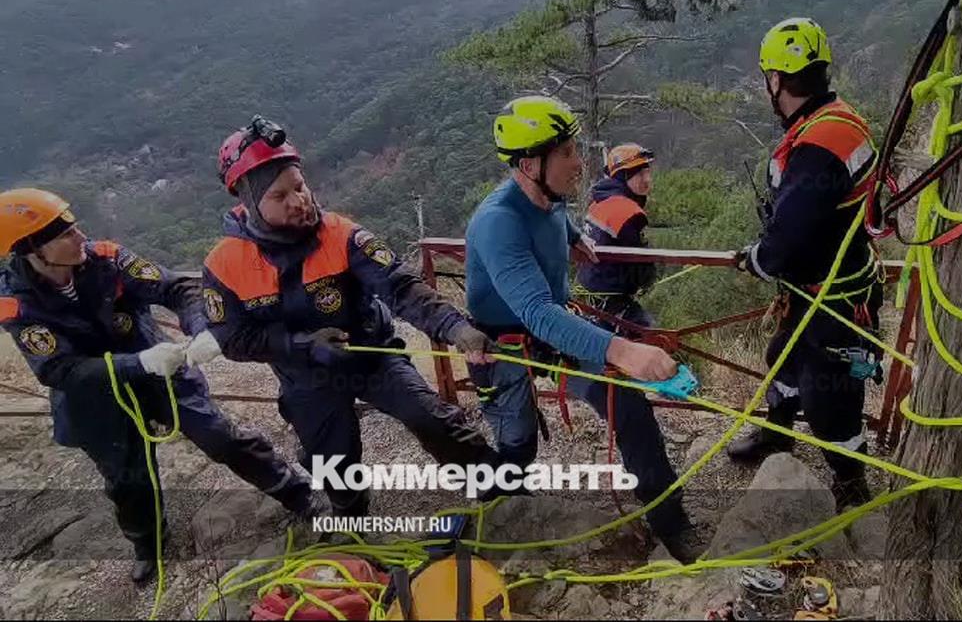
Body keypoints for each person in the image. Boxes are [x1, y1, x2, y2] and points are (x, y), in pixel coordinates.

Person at [0, 188, 321, 583]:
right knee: (127, 476)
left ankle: (296, 493)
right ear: (32, 250)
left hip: (160, 372)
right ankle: (148, 543)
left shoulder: (108, 259)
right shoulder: (17, 303)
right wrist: (137, 363)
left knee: (220, 435)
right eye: (65, 235)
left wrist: (202, 327)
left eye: (75, 228)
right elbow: (58, 369)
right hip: (97, 397)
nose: (80, 237)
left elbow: (175, 288)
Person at [198, 115, 499, 518]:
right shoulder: (225, 264)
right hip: (304, 375)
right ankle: (351, 516)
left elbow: (400, 286)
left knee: (430, 417)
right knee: (333, 462)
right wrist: (303, 345)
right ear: (250, 203)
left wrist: (456, 328)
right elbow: (233, 338)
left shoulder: (341, 234)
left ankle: (496, 486)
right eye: (280, 196)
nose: (299, 201)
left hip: (371, 354)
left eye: (300, 186)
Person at [463, 95, 703, 563]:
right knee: (517, 445)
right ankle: (498, 525)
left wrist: (574, 239)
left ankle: (671, 522)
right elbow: (536, 311)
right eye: (567, 153)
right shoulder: (497, 223)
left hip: (553, 331)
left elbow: (554, 221)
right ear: (530, 165)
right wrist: (623, 350)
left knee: (628, 407)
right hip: (504, 343)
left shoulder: (549, 198)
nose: (579, 163)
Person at [727, 18, 885, 511]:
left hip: (832, 299)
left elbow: (790, 234)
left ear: (776, 80)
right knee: (783, 358)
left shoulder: (819, 144)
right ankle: (777, 435)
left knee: (830, 399)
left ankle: (851, 480)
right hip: (823, 288)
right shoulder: (837, 120)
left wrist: (757, 260)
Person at [577, 143, 658, 333]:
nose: (647, 180)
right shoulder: (626, 211)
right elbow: (640, 262)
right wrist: (646, 281)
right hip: (611, 297)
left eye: (647, 173)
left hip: (592, 291)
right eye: (640, 174)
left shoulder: (600, 201)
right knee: (650, 338)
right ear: (623, 177)